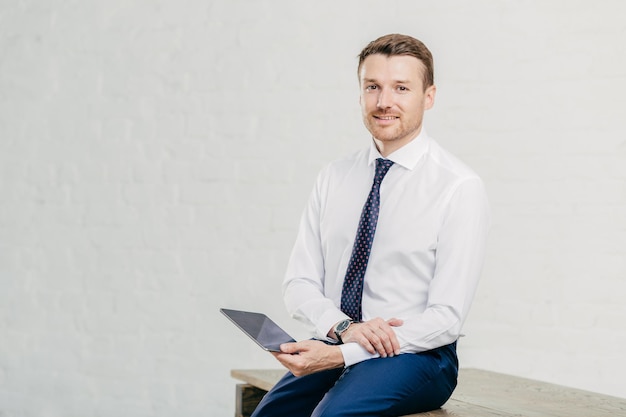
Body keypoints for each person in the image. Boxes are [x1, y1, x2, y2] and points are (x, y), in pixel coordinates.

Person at [252, 33, 490, 417]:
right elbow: (299, 283)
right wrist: (343, 328)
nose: (384, 102)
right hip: (337, 338)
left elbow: (446, 319)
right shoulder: (334, 177)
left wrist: (344, 353)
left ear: (428, 96)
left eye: (401, 88)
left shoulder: (458, 187)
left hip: (418, 355)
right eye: (372, 87)